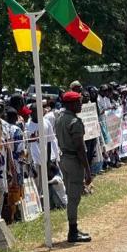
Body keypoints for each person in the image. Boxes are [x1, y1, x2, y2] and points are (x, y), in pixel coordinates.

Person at [55, 91, 93, 243]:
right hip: (73, 160)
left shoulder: (60, 119)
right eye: (78, 102)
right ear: (70, 104)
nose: (81, 105)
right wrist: (88, 171)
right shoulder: (74, 122)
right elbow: (80, 148)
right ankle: (72, 231)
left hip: (64, 158)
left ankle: (74, 229)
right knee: (73, 198)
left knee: (71, 194)